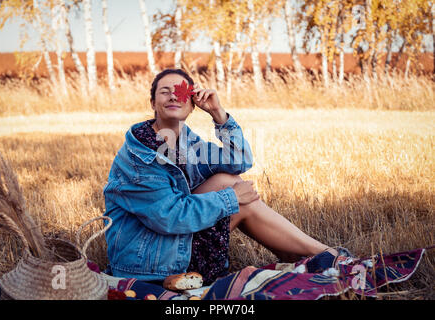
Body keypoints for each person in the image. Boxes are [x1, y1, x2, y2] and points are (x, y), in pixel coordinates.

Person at [103, 69, 340, 285]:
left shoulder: (185, 143)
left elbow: (240, 160)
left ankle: (309, 254)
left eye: (181, 92)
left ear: (193, 104)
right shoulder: (139, 154)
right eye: (165, 92)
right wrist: (230, 198)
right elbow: (169, 217)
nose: (174, 97)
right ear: (153, 102)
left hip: (167, 246)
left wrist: (218, 113)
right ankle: (323, 255)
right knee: (232, 191)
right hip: (148, 263)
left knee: (228, 180)